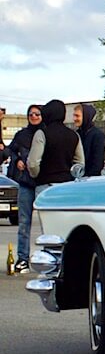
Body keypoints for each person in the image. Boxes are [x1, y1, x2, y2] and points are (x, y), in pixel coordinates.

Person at [0, 105, 43, 272]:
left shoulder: (46, 133)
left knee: (46, 224)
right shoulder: (22, 134)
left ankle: (46, 258)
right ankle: (22, 258)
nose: (33, 116)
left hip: (42, 181)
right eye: (31, 114)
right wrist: (17, 158)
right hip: (25, 183)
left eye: (37, 114)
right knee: (24, 223)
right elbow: (10, 149)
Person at [28, 99, 84, 190]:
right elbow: (80, 163)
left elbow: (33, 163)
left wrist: (35, 175)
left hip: (45, 184)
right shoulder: (74, 135)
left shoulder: (41, 133)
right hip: (67, 184)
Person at [73, 103, 105, 177]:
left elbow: (97, 163)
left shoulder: (98, 136)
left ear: (86, 116)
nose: (74, 119)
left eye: (77, 116)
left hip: (90, 180)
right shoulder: (76, 134)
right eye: (74, 115)